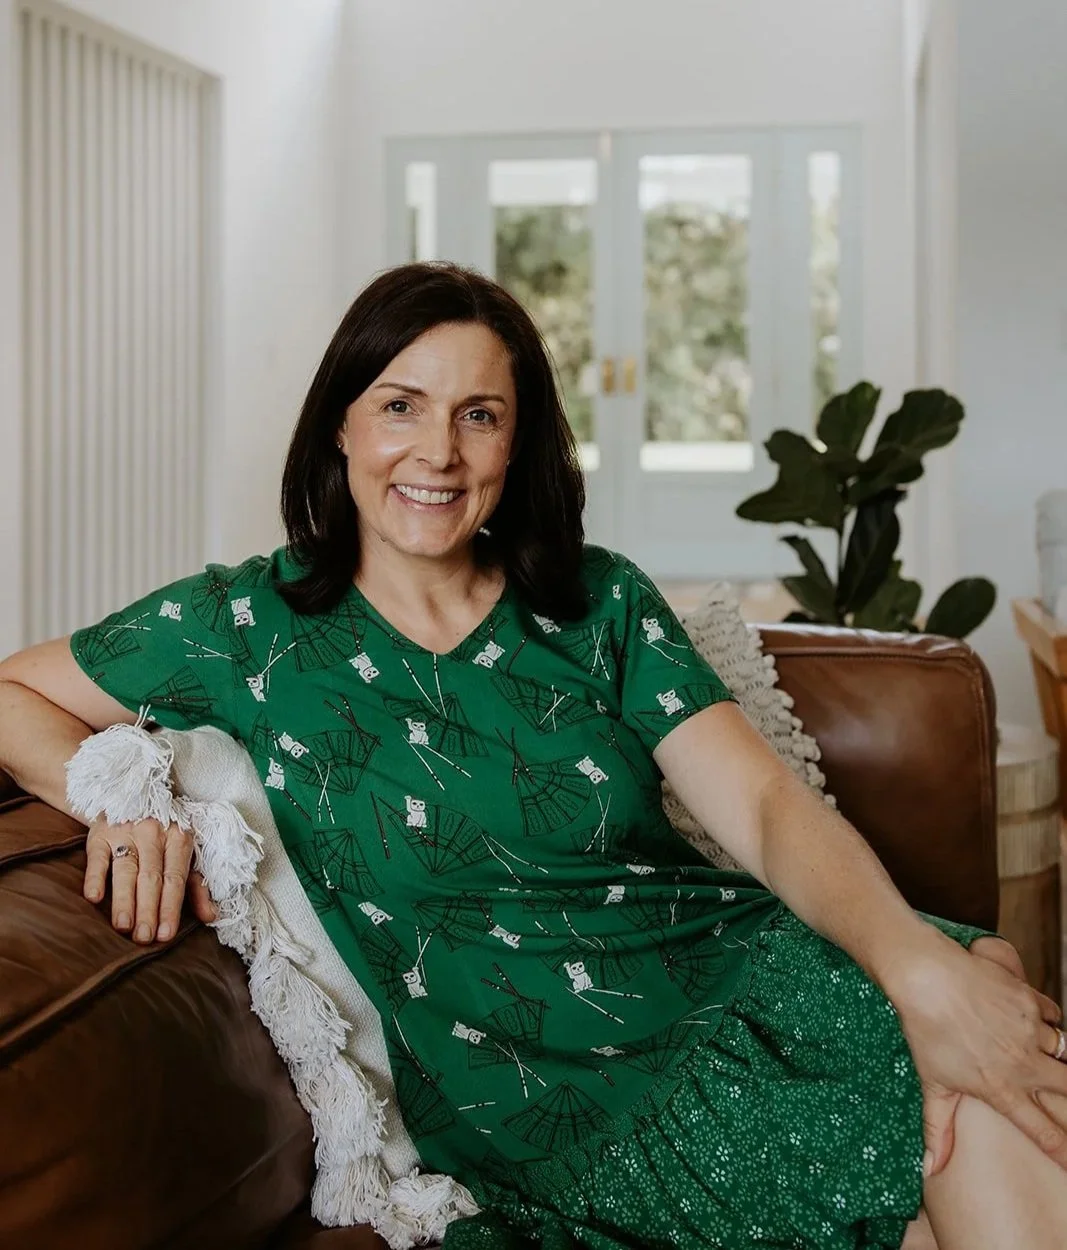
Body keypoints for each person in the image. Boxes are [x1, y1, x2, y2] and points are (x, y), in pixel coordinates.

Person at [1, 263, 1066, 1250]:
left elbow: (761, 808)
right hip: (575, 1113)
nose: (438, 452)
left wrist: (915, 970)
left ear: (517, 445)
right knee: (988, 1117)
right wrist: (115, 792)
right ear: (339, 423)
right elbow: (10, 690)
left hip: (752, 986)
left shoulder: (598, 601)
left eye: (479, 414)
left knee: (988, 1038)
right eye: (400, 405)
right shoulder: (242, 626)